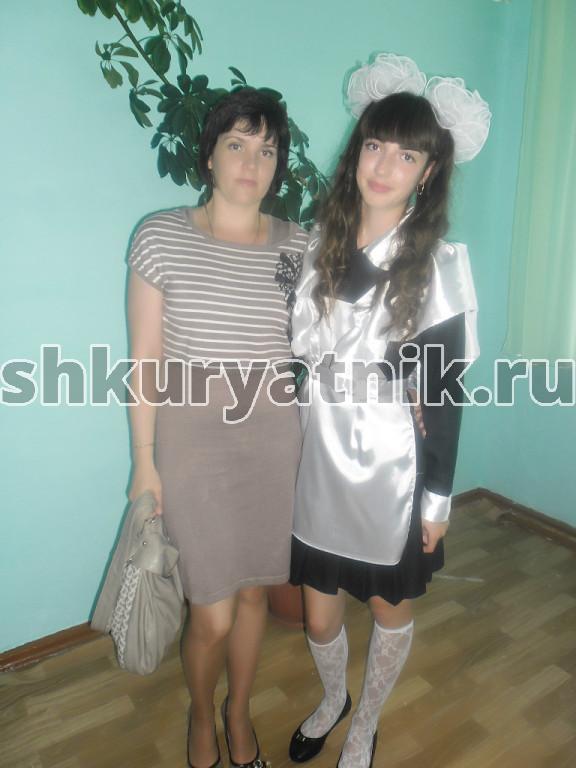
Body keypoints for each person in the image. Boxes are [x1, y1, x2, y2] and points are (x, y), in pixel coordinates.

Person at [287, 54, 491, 768]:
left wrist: (437, 502)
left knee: (386, 607)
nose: (384, 165)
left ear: (428, 172)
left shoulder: (438, 266)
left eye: (407, 154)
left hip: (391, 472)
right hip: (319, 460)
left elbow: (444, 398)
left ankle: (365, 723)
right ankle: (331, 699)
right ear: (357, 151)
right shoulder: (319, 246)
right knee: (317, 615)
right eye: (375, 145)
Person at [127, 87, 307, 768]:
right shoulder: (160, 236)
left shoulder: (299, 246)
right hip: (193, 443)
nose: (251, 163)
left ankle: (239, 713)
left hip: (274, 440)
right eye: (237, 144)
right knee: (212, 608)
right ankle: (202, 715)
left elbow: (336, 339)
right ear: (208, 156)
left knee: (256, 589)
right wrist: (144, 462)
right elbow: (144, 361)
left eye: (267, 150)